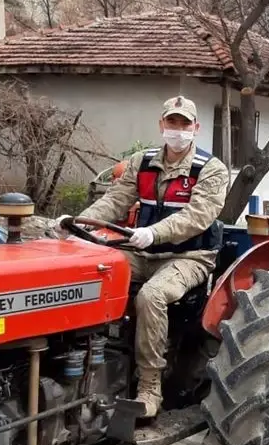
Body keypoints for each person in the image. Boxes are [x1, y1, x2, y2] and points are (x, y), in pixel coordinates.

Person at [54, 96, 228, 418]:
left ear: (196, 128)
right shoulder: (142, 162)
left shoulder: (211, 169)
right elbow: (114, 201)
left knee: (151, 295)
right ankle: (78, 363)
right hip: (143, 250)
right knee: (93, 270)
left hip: (190, 255)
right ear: (161, 125)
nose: (178, 130)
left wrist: (154, 232)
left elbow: (198, 216)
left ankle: (150, 389)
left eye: (184, 124)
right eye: (172, 123)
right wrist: (77, 224)